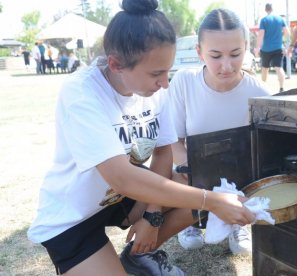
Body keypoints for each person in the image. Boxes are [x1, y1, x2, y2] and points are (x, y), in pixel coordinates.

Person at [27, 0, 255, 275]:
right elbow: (122, 176)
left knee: (196, 179)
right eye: (157, 74)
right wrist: (212, 201)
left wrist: (152, 216)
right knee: (204, 194)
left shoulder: (155, 90)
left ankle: (139, 256)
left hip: (119, 198)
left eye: (167, 71)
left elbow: (162, 152)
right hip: (73, 217)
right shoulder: (81, 93)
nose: (165, 84)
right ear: (116, 64)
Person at [168, 8, 271, 255]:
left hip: (239, 177)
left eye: (235, 54)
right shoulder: (184, 82)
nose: (226, 66)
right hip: (194, 177)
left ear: (246, 47)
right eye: (215, 55)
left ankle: (238, 223)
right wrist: (187, 169)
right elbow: (172, 141)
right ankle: (190, 219)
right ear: (199, 52)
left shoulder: (259, 93)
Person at [255, 3, 289, 93]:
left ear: (266, 10)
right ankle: (281, 88)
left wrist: (257, 48)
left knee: (265, 68)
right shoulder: (280, 19)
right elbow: (287, 32)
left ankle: (263, 88)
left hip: (266, 49)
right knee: (279, 67)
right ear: (273, 9)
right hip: (278, 47)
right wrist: (280, 37)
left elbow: (261, 34)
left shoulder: (264, 20)